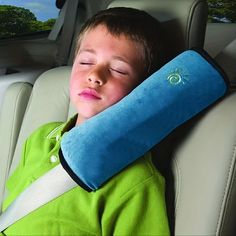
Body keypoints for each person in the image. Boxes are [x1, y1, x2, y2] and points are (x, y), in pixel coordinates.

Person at [1, 7, 170, 235]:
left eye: (119, 70)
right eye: (86, 62)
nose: (95, 75)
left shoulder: (136, 180)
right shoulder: (40, 138)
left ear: (144, 89)